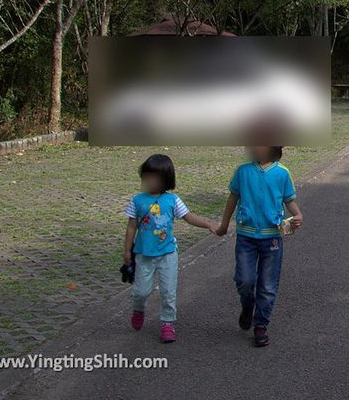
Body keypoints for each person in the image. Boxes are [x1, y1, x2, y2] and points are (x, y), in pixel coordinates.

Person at [123, 154, 217, 343]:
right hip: (144, 254)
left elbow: (189, 217)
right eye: (147, 176)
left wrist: (208, 224)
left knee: (168, 291)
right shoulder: (137, 200)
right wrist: (127, 251)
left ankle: (167, 323)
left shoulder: (173, 200)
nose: (149, 181)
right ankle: (138, 309)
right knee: (141, 291)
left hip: (167, 253)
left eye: (154, 177)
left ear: (166, 179)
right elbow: (132, 226)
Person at [215, 146, 303, 347]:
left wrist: (298, 215)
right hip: (245, 237)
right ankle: (248, 305)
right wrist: (224, 224)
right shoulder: (243, 171)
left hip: (272, 238)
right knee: (244, 280)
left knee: (268, 285)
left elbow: (289, 200)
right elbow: (233, 198)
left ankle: (261, 324)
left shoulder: (282, 173)